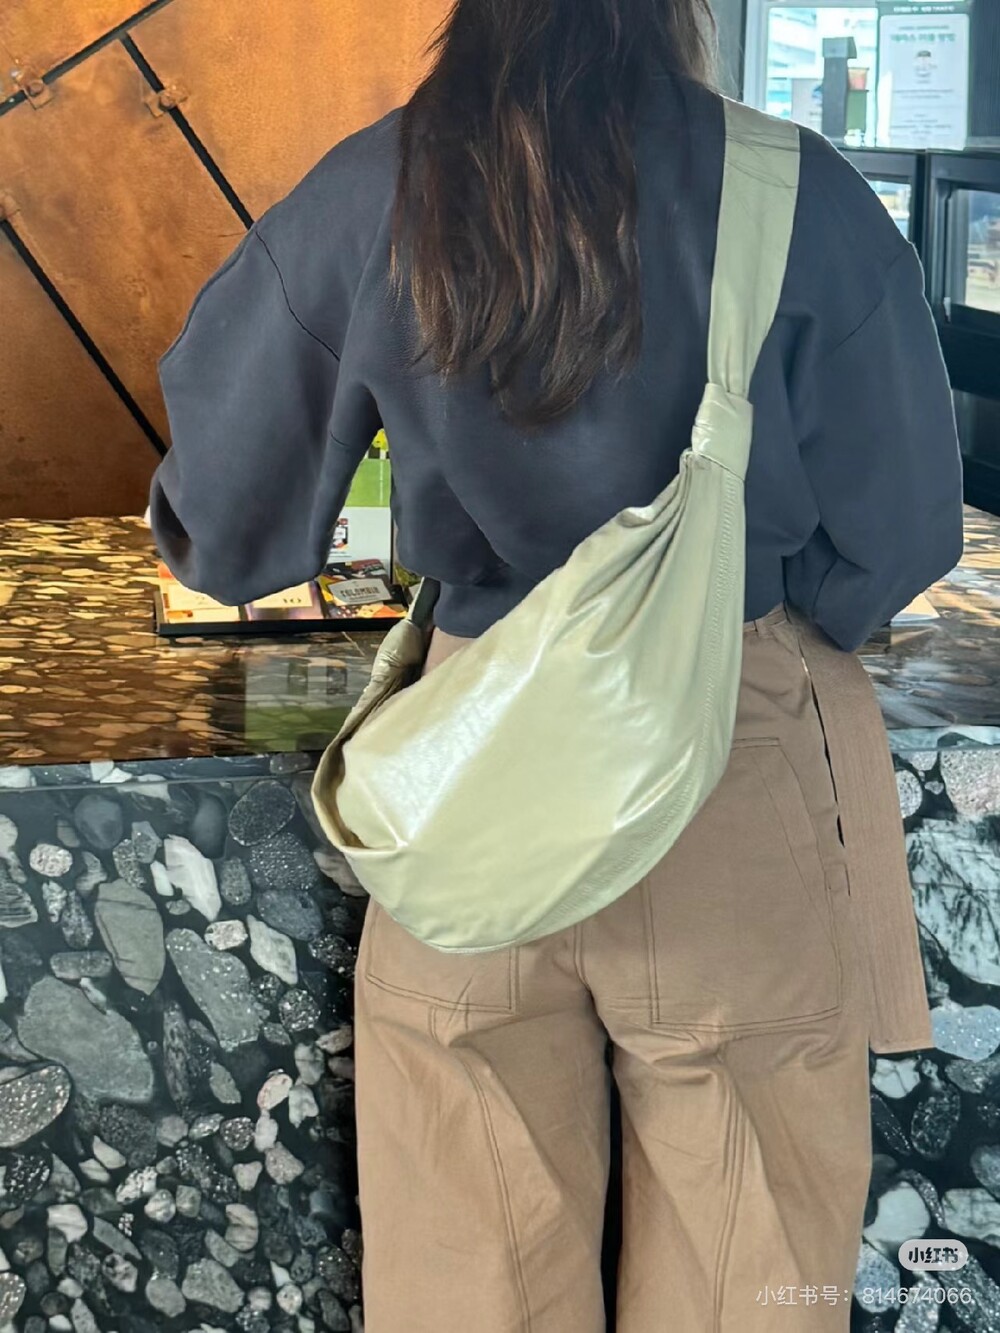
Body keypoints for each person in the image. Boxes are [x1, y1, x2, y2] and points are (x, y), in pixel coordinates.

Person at [148, 1, 965, 1327]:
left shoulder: (373, 187)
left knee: (472, 1283)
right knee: (749, 1277)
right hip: (732, 770)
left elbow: (228, 533)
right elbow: (905, 528)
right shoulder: (795, 190)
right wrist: (742, 607)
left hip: (467, 784)